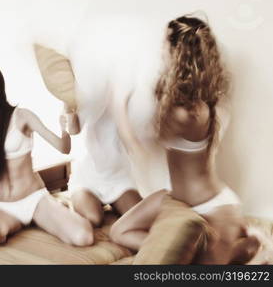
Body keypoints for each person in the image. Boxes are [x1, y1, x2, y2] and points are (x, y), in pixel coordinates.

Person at [109, 15, 259, 264]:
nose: (160, 51)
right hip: (176, 200)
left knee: (208, 266)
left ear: (177, 54)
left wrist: (118, 101)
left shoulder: (186, 112)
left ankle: (249, 244)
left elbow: (140, 146)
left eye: (164, 45)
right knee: (119, 231)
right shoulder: (203, 100)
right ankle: (192, 247)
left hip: (210, 205)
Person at [0, 64, 93, 248]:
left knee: (83, 237)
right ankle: (20, 223)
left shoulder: (22, 116)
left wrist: (64, 128)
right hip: (2, 206)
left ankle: (47, 213)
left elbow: (63, 148)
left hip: (34, 199)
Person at [66, 95, 142, 227]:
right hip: (87, 178)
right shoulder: (88, 95)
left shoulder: (128, 96)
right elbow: (73, 130)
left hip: (119, 179)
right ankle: (63, 207)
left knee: (139, 218)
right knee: (94, 218)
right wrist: (67, 104)